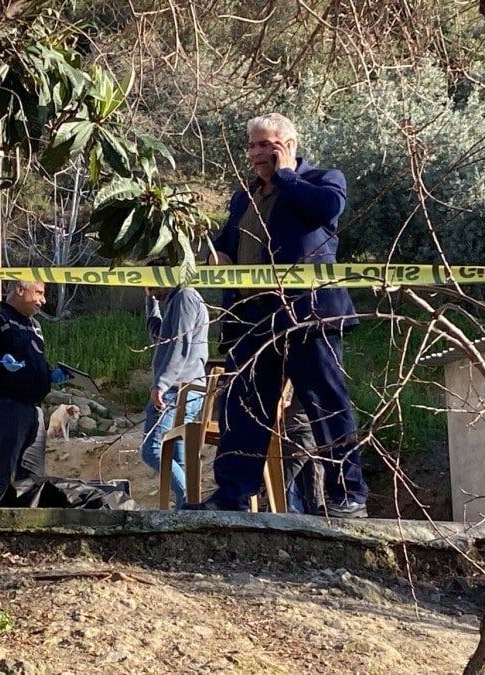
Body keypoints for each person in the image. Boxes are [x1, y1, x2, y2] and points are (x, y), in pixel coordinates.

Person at [190, 112, 368, 517]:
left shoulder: (324, 180)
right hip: (251, 318)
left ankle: (347, 495)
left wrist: (287, 176)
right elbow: (226, 244)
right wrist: (217, 256)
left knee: (326, 405)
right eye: (252, 145)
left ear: (289, 145)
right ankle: (232, 496)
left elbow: (328, 210)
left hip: (308, 317)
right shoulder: (244, 196)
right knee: (241, 408)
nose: (256, 153)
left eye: (266, 144)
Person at [0, 280, 67, 507]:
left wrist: (49, 375)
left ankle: (28, 529)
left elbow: (33, 362)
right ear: (20, 290)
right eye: (39, 293)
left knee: (33, 478)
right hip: (5, 406)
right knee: (2, 470)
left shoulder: (34, 326)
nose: (43, 301)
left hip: (34, 411)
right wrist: (0, 361)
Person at [139, 269, 210, 508]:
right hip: (181, 387)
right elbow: (160, 336)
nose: (150, 289)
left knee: (152, 449)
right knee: (178, 455)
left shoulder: (185, 297)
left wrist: (161, 384)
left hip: (179, 389)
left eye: (151, 284)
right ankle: (187, 511)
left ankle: (191, 504)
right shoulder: (176, 301)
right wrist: (150, 301)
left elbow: (181, 344)